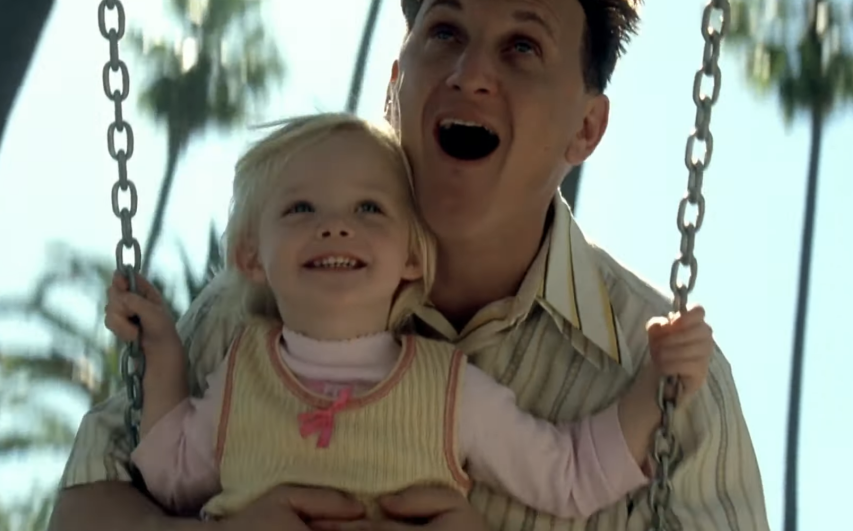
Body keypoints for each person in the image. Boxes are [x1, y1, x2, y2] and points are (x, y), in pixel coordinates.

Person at [49, 1, 770, 530]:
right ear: (396, 86)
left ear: (585, 126)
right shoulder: (248, 315)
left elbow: (577, 468)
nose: (471, 74)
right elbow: (89, 500)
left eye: (522, 46)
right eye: (446, 32)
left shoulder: (679, 388)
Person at [101, 112, 715, 524]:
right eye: (300, 208)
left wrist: (649, 388)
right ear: (250, 257)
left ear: (412, 261)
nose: (335, 225)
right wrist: (164, 353)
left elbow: (569, 472)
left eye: (369, 208)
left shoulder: (448, 391)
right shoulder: (241, 374)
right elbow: (169, 471)